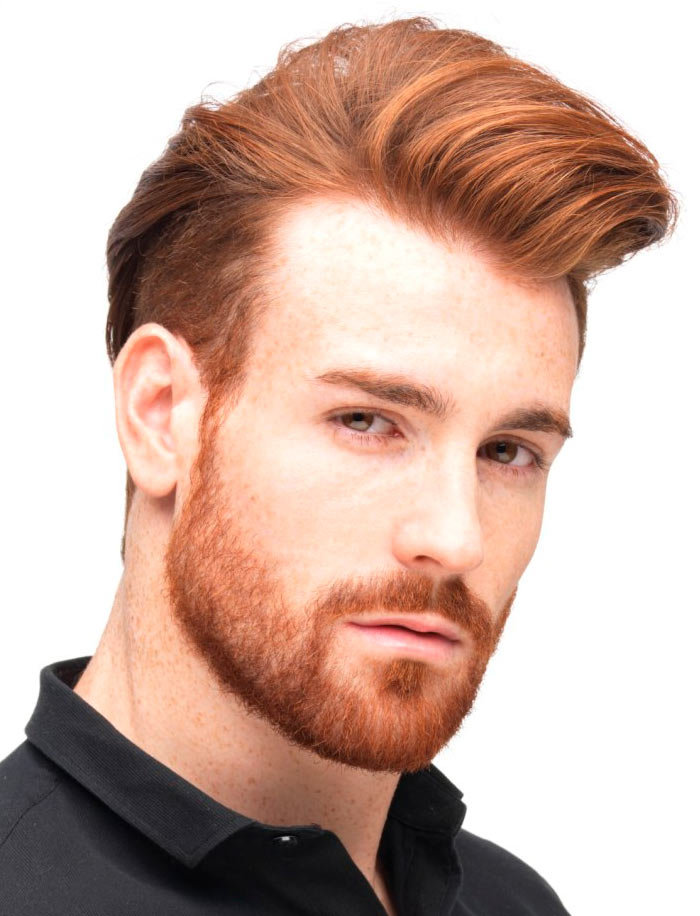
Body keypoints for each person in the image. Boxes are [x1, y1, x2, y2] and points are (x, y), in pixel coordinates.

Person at [0, 16, 677, 916]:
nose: (455, 537)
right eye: (367, 422)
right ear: (160, 414)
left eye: (508, 451)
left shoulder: (516, 903)